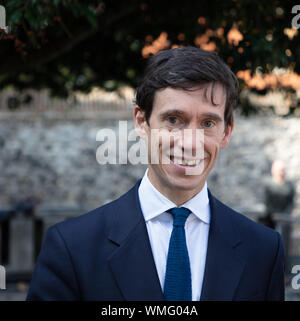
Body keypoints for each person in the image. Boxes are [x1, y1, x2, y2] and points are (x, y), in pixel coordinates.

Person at [26, 47, 285, 301]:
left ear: (226, 132)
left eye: (208, 123)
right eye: (173, 119)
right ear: (141, 121)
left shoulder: (263, 250)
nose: (190, 142)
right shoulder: (73, 247)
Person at [259, 160, 295, 273]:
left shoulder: (290, 185)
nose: (281, 172)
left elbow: (291, 203)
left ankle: (284, 274)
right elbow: (266, 202)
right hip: (270, 221)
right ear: (273, 170)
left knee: (285, 247)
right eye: (280, 170)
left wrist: (284, 216)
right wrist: (274, 215)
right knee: (270, 247)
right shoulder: (268, 184)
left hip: (285, 221)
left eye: (283, 170)